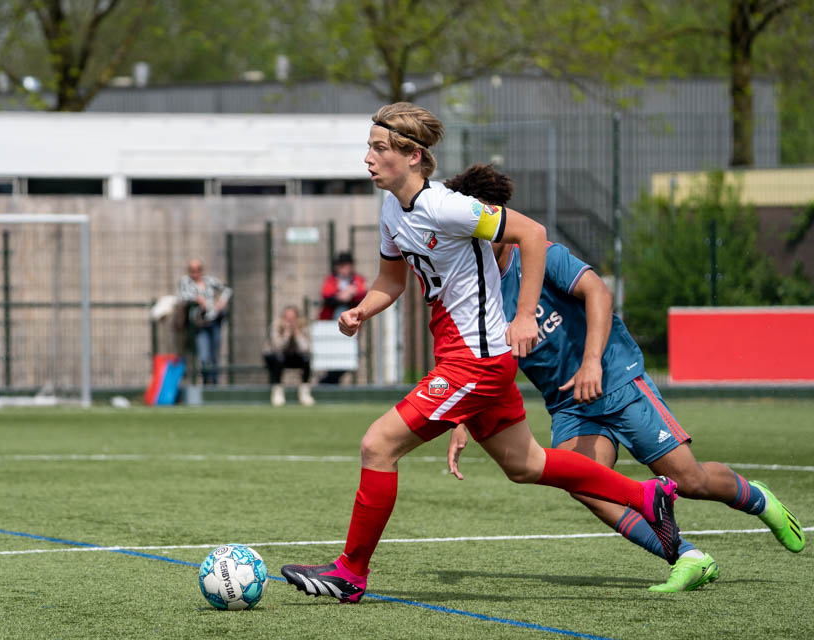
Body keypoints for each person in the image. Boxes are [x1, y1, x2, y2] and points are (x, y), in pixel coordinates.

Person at [280, 102, 682, 604]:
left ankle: (350, 573)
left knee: (377, 446)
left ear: (412, 156)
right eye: (369, 147)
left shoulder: (448, 207)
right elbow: (391, 280)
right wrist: (362, 310)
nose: (368, 158)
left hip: (476, 361)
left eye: (379, 149)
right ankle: (646, 494)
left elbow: (532, 234)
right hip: (466, 359)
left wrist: (525, 314)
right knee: (527, 464)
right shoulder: (390, 210)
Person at [443, 163, 805, 593]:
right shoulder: (475, 287)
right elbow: (479, 356)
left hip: (616, 378)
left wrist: (592, 362)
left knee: (690, 481)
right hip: (568, 404)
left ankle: (758, 499)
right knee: (586, 484)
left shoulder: (541, 255)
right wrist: (461, 418)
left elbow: (598, 292)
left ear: (498, 216)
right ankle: (686, 556)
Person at [178, 258, 232, 385]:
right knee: (204, 356)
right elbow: (182, 296)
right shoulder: (186, 282)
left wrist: (221, 302)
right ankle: (206, 383)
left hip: (214, 321)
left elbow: (227, 290)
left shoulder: (209, 281)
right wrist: (197, 299)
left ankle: (214, 384)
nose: (195, 272)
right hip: (199, 324)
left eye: (198, 269)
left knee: (214, 355)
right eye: (192, 270)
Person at [318, 251, 367, 384]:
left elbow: (362, 294)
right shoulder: (331, 280)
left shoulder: (357, 279)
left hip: (352, 325)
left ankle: (329, 381)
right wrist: (343, 295)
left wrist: (346, 295)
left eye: (345, 265)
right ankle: (330, 381)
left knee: (350, 355)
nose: (343, 269)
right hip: (331, 324)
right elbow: (327, 296)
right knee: (332, 355)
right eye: (340, 266)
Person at [264, 305, 315, 407]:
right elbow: (277, 347)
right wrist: (286, 334)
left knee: (306, 358)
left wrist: (297, 333)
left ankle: (304, 392)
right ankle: (277, 392)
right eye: (287, 318)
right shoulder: (276, 326)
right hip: (277, 357)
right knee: (279, 358)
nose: (290, 321)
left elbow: (305, 348)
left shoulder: (303, 327)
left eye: (293, 318)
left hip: (295, 357)